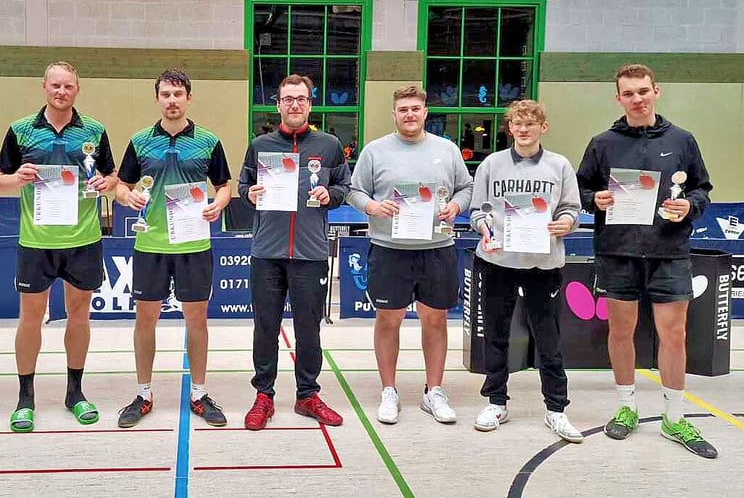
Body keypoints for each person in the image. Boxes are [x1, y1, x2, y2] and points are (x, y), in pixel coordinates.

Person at [577, 64, 716, 458]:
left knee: (674, 335)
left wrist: (688, 205)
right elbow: (582, 188)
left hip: (669, 252)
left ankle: (675, 417)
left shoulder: (683, 140)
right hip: (617, 251)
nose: (637, 99)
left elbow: (702, 189)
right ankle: (627, 406)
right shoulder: (602, 143)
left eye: (643, 91)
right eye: (628, 93)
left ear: (656, 91)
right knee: (621, 332)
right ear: (617, 98)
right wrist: (595, 201)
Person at [0, 61, 117, 432]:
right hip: (36, 241)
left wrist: (104, 185)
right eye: (56, 85)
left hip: (83, 240)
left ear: (77, 90)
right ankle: (25, 398)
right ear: (44, 87)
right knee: (31, 318)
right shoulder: (21, 130)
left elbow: (111, 176)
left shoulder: (94, 130)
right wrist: (16, 177)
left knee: (79, 316)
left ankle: (74, 393)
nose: (62, 92)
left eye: (69, 87)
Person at [346, 85, 471, 426]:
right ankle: (389, 390)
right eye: (403, 109)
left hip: (436, 249)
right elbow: (355, 191)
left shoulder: (446, 150)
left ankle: (434, 391)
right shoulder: (375, 151)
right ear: (394, 114)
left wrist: (457, 205)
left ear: (425, 111)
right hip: (389, 250)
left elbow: (466, 187)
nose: (410, 114)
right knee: (388, 320)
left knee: (436, 320)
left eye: (415, 108)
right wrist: (371, 205)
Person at [114, 68, 232, 428]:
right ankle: (144, 392)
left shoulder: (209, 141)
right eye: (165, 94)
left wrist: (219, 204)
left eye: (178, 94)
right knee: (145, 318)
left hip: (193, 242)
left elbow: (225, 185)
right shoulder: (140, 141)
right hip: (150, 243)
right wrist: (127, 196)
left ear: (189, 98)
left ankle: (198, 392)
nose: (172, 100)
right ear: (157, 99)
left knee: (196, 318)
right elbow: (120, 185)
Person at [239, 74, 351, 430]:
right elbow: (242, 184)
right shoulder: (260, 145)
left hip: (310, 252)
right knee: (265, 327)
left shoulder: (330, 145)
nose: (294, 105)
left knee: (309, 328)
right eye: (288, 99)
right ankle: (264, 396)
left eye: (301, 99)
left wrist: (329, 196)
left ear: (310, 103)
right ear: (278, 104)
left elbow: (343, 187)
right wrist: (249, 194)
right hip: (267, 253)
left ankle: (307, 395)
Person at [468, 99, 583, 442]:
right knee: (496, 334)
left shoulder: (559, 166)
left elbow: (571, 209)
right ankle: (496, 401)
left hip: (542, 265)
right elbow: (478, 211)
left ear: (542, 128)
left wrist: (565, 223)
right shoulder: (491, 164)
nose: (522, 130)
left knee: (547, 337)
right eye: (517, 124)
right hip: (498, 262)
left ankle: (556, 408)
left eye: (530, 124)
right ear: (510, 128)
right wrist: (485, 229)